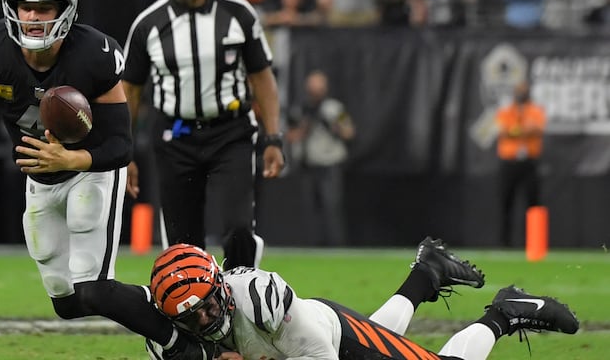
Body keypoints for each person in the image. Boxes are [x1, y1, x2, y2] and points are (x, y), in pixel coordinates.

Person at [0, 0, 203, 359]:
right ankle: (159, 304)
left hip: (90, 170)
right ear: (10, 6)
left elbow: (121, 146)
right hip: (40, 175)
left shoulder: (94, 53)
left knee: (95, 288)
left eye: (45, 7)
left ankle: (182, 345)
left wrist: (72, 160)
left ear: (67, 8)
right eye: (26, 6)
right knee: (68, 302)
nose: (34, 17)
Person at [122, 0, 284, 271]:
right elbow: (130, 90)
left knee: (239, 229)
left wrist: (273, 137)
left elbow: (263, 78)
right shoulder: (147, 25)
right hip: (174, 136)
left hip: (230, 132)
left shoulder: (238, 14)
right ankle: (193, 318)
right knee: (183, 245)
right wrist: (125, 153)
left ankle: (241, 304)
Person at [146, 238, 579, 360]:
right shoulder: (167, 341)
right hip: (319, 338)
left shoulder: (262, 300)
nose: (204, 319)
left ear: (222, 286)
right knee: (381, 333)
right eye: (192, 317)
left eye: (207, 305)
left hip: (330, 342)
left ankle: (504, 313)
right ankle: (426, 274)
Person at [286, 70, 355, 246]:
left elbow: (349, 132)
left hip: (329, 164)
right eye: (312, 86)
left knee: (331, 206)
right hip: (308, 165)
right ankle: (311, 245)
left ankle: (336, 245)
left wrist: (332, 125)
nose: (315, 90)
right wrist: (304, 127)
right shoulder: (300, 109)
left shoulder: (334, 108)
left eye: (318, 86)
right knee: (309, 208)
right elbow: (290, 136)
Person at [494, 81, 547, 247]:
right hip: (510, 162)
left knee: (533, 203)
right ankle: (505, 243)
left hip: (529, 162)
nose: (521, 94)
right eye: (518, 90)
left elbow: (537, 129)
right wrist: (522, 130)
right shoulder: (506, 111)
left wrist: (515, 131)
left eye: (524, 90)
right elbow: (503, 131)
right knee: (506, 202)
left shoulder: (535, 110)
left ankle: (533, 242)